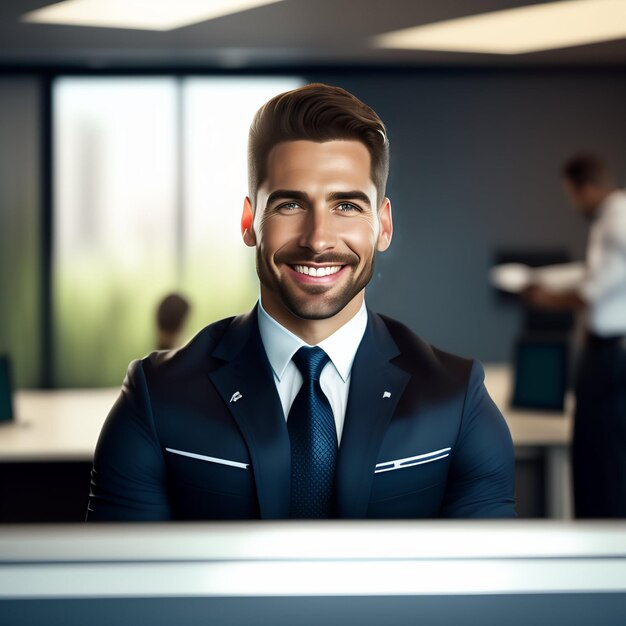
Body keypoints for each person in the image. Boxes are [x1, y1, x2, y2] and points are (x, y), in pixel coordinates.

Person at [86, 83, 516, 521]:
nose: (318, 240)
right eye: (291, 204)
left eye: (346, 206)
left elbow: (493, 582)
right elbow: (117, 582)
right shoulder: (157, 396)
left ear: (383, 226)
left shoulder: (455, 397)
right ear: (250, 222)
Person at [524, 153, 626, 518]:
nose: (574, 203)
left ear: (585, 187)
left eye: (572, 193)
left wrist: (543, 298)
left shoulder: (615, 222)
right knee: (600, 454)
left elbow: (593, 291)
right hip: (607, 354)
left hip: (612, 358)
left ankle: (604, 550)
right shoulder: (613, 219)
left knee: (600, 457)